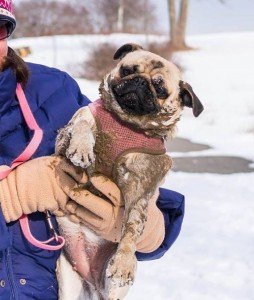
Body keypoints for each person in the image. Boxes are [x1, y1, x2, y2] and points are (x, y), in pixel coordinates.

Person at [0, 1, 185, 299]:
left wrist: (148, 228)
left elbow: (130, 160)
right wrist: (14, 196)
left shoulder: (53, 90)